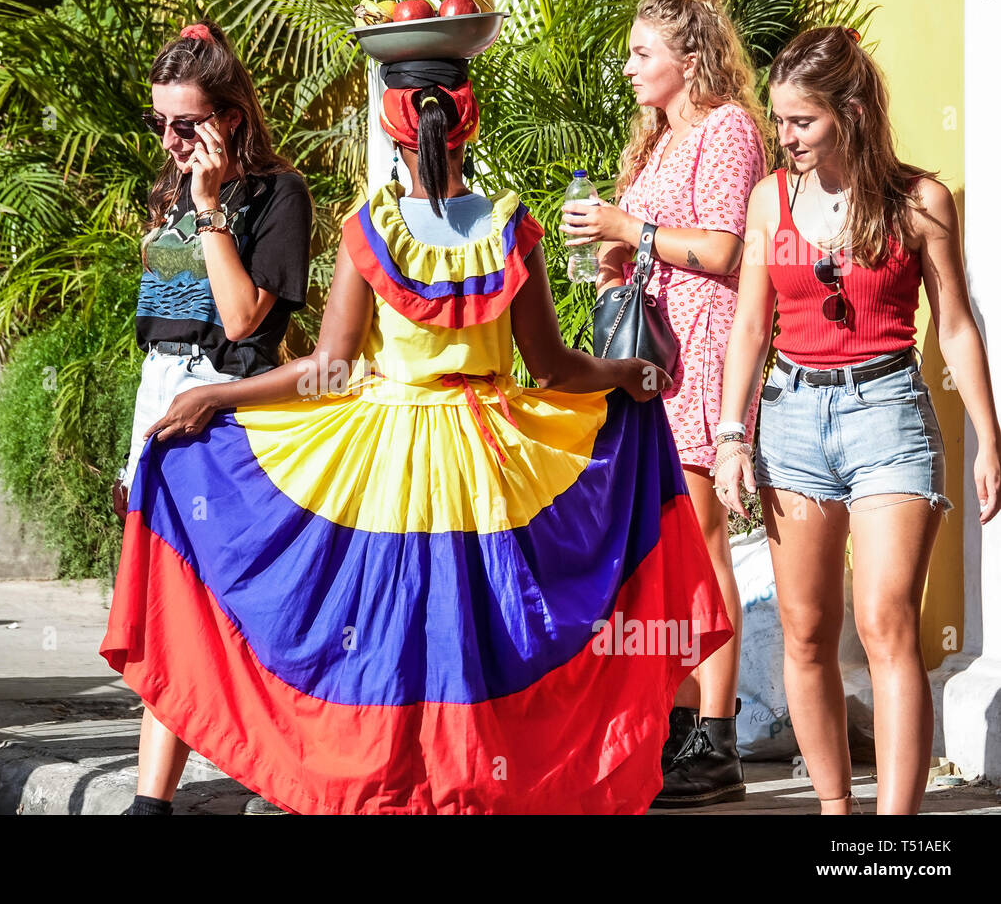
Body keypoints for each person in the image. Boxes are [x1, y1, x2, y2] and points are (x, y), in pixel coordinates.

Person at [101, 56, 733, 814]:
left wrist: (218, 398)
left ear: (391, 130)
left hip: (388, 464)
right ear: (466, 126)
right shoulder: (513, 230)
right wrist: (626, 375)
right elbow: (556, 369)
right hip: (492, 466)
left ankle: (386, 788)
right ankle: (477, 787)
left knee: (388, 638)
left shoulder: (370, 231)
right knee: (481, 635)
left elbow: (326, 371)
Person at [715, 26, 1001, 814]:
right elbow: (749, 327)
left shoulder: (920, 201)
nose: (787, 138)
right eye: (780, 121)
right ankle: (837, 817)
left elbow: (954, 326)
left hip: (888, 417)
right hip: (792, 419)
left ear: (850, 111)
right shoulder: (771, 198)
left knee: (886, 624)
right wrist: (732, 437)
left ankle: (893, 837)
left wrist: (988, 437)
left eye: (801, 122)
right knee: (807, 633)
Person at [560, 0, 768, 806]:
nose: (628, 68)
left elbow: (724, 252)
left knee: (700, 540)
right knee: (659, 550)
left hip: (706, 350)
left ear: (689, 56)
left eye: (641, 53)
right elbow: (649, 246)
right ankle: (676, 731)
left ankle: (716, 741)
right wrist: (612, 261)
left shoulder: (727, 131)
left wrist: (626, 228)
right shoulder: (651, 140)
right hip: (644, 360)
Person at [112, 20, 311, 815]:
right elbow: (159, 314)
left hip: (225, 415)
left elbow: (239, 321)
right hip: (160, 401)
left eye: (185, 123)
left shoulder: (277, 193)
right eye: (159, 121)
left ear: (227, 117)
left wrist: (208, 208)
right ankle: (150, 801)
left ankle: (278, 776)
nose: (169, 138)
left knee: (233, 607)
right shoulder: (164, 188)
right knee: (169, 609)